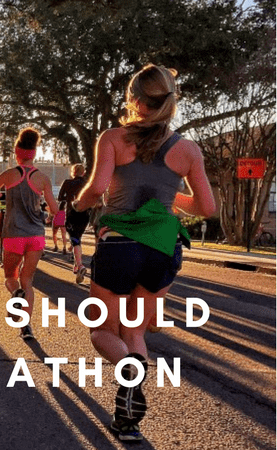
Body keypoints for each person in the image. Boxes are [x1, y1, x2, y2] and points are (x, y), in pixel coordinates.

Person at [72, 64, 215, 441]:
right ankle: (128, 422)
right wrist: (168, 198)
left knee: (102, 330)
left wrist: (80, 202)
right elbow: (207, 208)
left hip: (120, 244)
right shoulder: (187, 149)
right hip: (162, 249)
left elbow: (98, 187)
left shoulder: (114, 138)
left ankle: (129, 370)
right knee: (134, 327)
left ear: (134, 100)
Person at [0, 128, 57, 340]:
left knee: (10, 277)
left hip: (14, 234)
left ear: (17, 151)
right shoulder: (42, 178)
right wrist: (49, 214)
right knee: (28, 279)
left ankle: (15, 295)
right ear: (34, 152)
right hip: (36, 236)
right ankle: (26, 328)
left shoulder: (9, 174)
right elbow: (55, 208)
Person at [59, 163, 90, 282]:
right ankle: (77, 265)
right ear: (83, 172)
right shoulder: (87, 183)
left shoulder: (67, 182)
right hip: (85, 215)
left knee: (75, 240)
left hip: (72, 214)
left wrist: (68, 197)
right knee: (78, 239)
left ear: (73, 172)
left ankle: (81, 265)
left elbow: (60, 197)